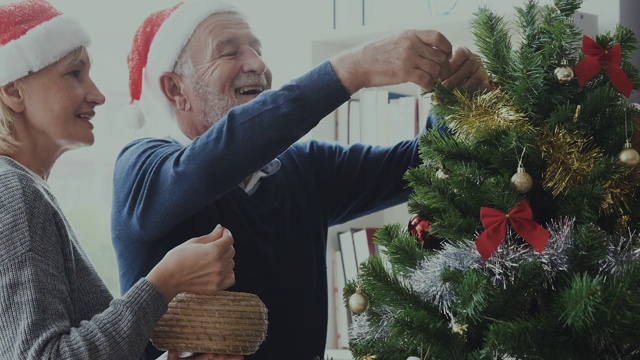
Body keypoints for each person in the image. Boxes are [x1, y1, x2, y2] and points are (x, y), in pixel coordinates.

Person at [111, 1, 490, 359]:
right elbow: (218, 158)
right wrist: (350, 69)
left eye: (257, 49)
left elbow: (418, 165)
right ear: (176, 90)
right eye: (229, 52)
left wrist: (456, 104)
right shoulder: (143, 168)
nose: (256, 63)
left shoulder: (304, 168)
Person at [0, 1, 240, 359]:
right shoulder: (14, 192)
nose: (97, 95)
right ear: (14, 91)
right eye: (74, 73)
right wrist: (164, 283)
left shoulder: (24, 190)